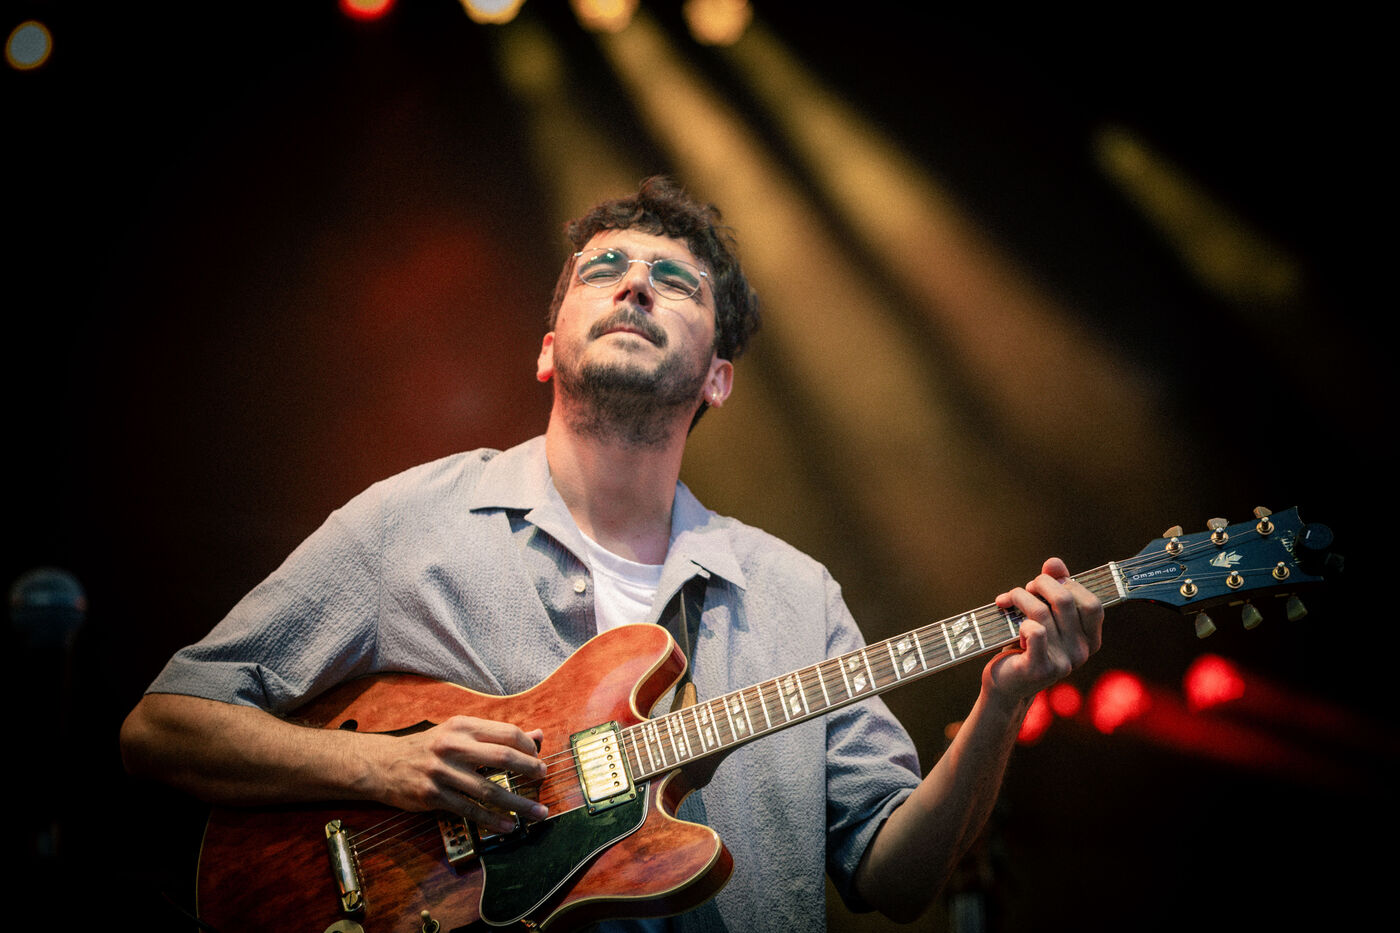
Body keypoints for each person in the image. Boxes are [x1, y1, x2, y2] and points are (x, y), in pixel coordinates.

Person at [119, 176, 1104, 932]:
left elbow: (898, 876)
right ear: (548, 347)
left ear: (717, 378)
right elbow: (164, 726)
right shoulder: (411, 521)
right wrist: (388, 767)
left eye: (675, 282)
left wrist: (1002, 701)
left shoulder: (795, 596)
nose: (636, 283)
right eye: (605, 269)